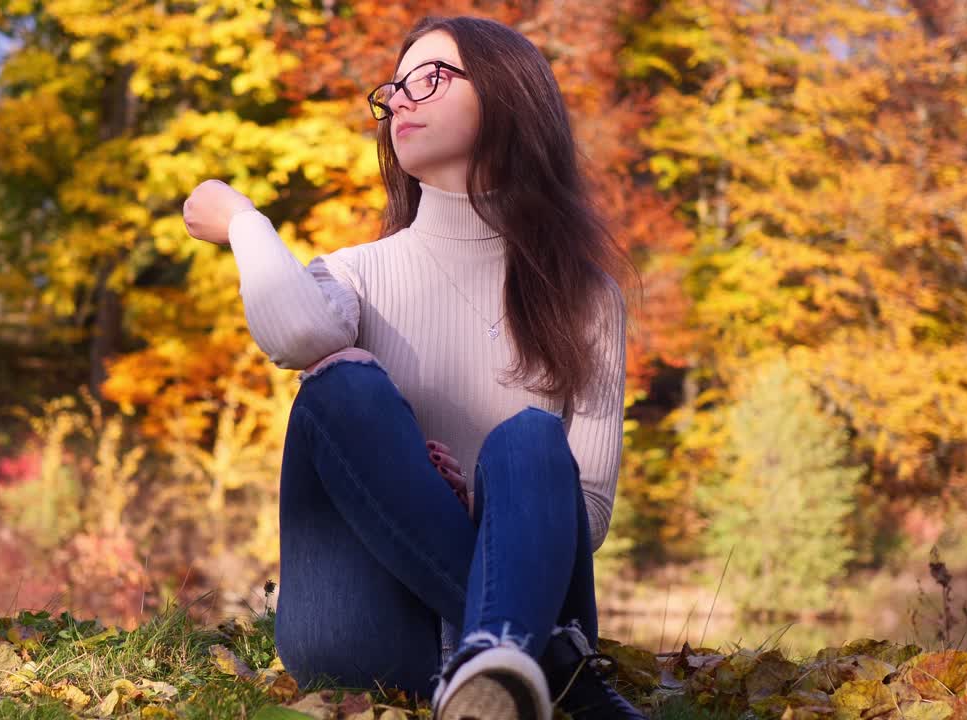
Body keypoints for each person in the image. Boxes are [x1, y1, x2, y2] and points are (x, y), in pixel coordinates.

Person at [183, 14, 645, 720]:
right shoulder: (356, 274)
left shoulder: (588, 300)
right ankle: (539, 665)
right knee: (342, 383)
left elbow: (591, 513)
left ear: (509, 95)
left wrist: (478, 510)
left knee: (528, 439)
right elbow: (297, 335)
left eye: (430, 79)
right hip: (366, 632)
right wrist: (246, 221)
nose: (400, 100)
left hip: (524, 601)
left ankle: (498, 662)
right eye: (393, 89)